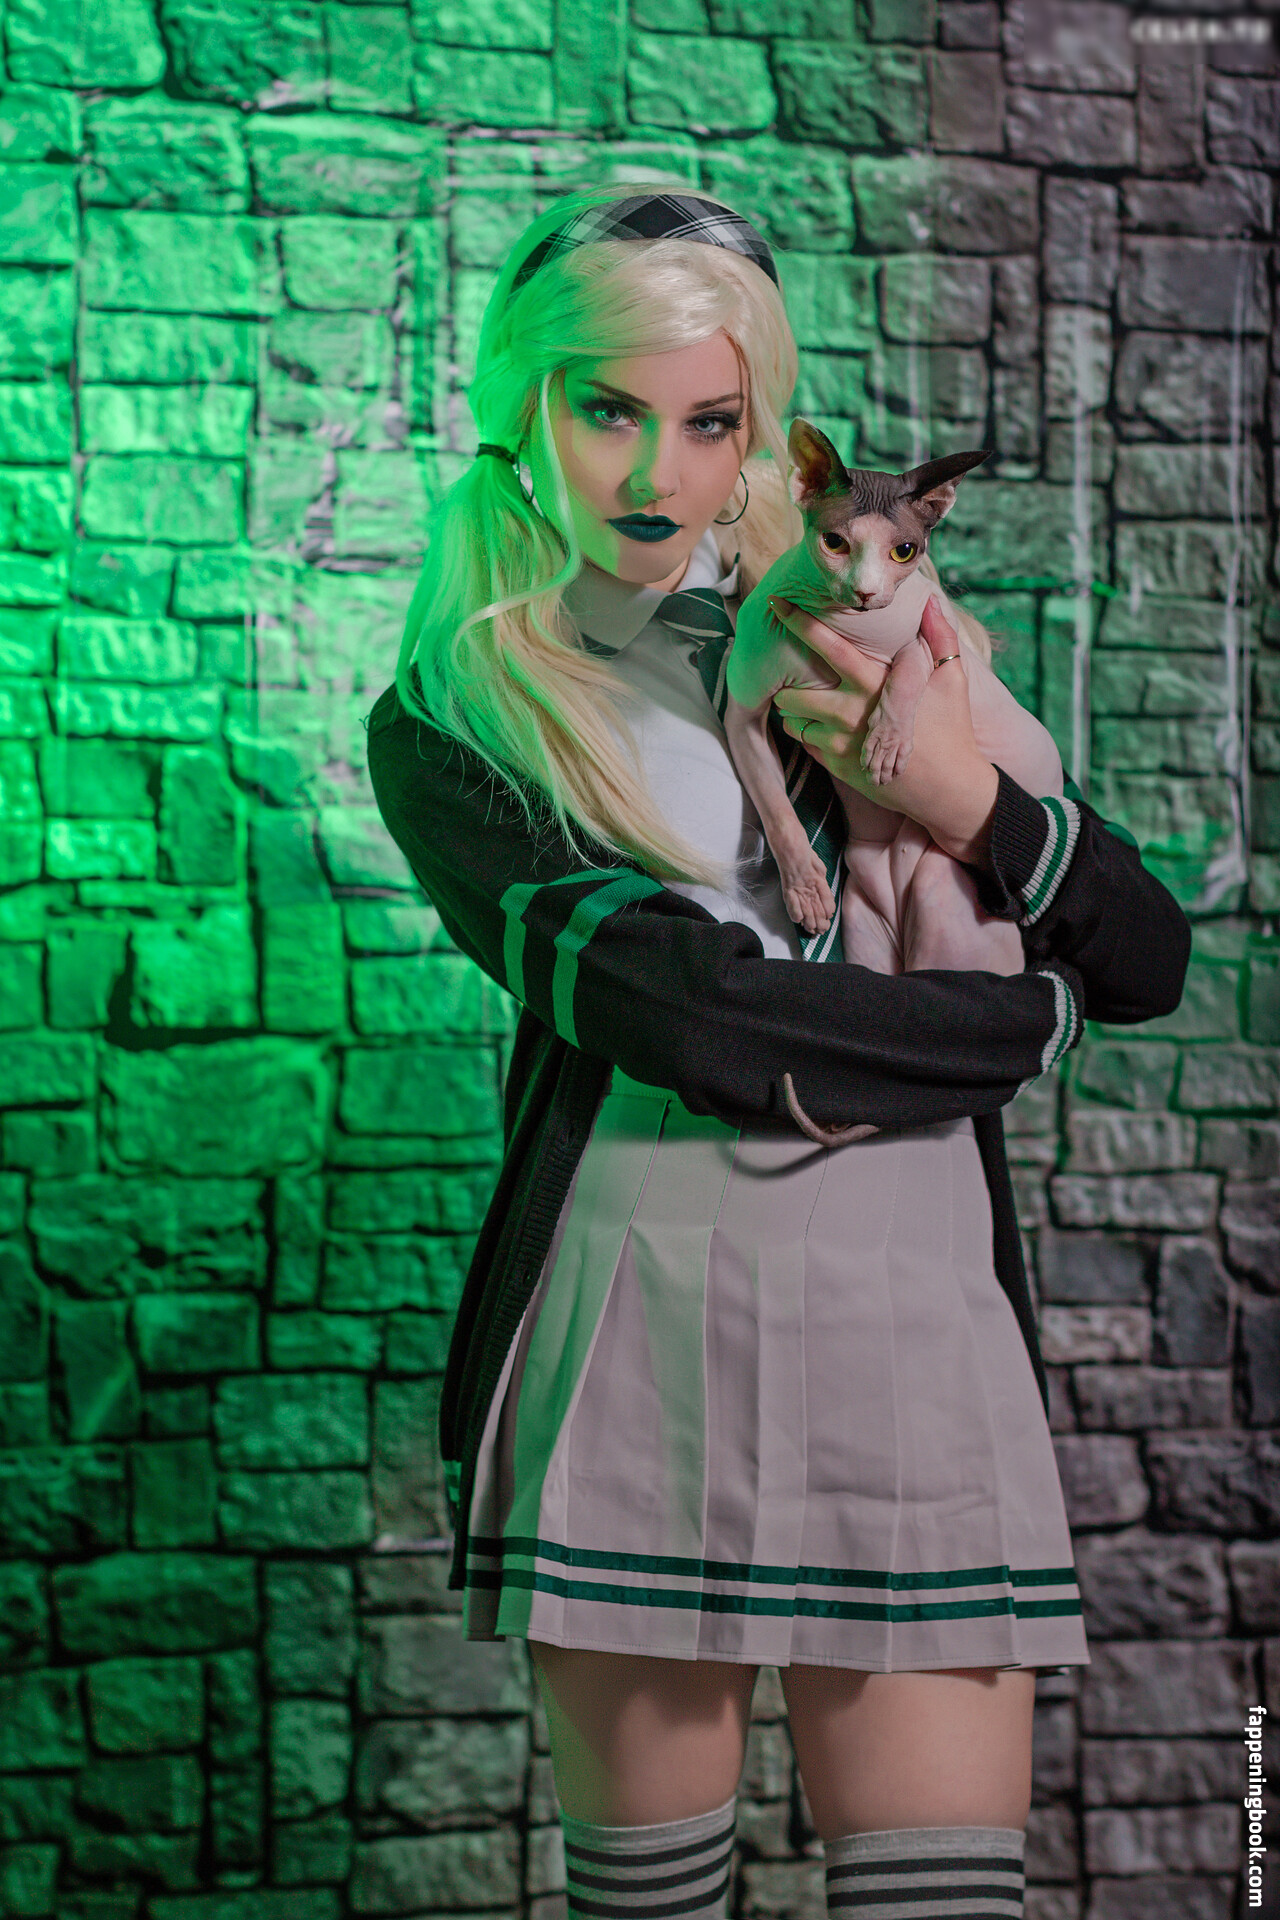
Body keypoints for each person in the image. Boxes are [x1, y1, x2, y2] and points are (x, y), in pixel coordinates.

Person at [365, 183, 1190, 1920]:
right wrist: (1015, 1029)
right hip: (636, 1317)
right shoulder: (456, 712)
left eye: (708, 420)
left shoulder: (853, 630)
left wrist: (966, 797)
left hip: (916, 1307)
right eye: (608, 407)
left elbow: (1144, 952)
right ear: (523, 406)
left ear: (761, 432)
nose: (654, 470)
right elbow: (692, 1013)